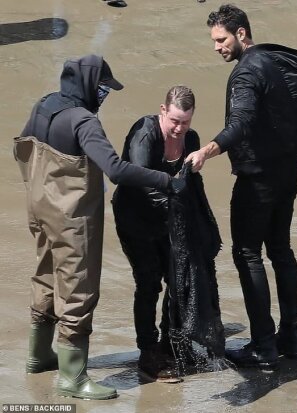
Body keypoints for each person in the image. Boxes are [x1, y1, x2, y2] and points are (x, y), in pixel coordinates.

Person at [14, 54, 183, 400]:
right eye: (104, 87)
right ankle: (73, 377)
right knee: (79, 289)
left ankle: (38, 355)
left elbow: (22, 149)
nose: (105, 94)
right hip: (72, 218)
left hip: (39, 208)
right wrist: (166, 181)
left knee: (45, 275)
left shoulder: (44, 105)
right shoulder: (84, 121)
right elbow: (116, 170)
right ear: (91, 85)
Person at [186, 5, 297, 370]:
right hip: (288, 173)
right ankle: (292, 336)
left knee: (247, 253)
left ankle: (262, 344)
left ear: (242, 34)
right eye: (214, 40)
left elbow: (240, 122)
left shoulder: (245, 74)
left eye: (221, 39)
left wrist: (208, 150)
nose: (217, 47)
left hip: (257, 180)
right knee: (281, 250)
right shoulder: (285, 60)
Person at [112, 86, 200, 382]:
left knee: (179, 282)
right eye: (174, 120)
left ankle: (169, 343)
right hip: (134, 218)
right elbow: (139, 181)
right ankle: (148, 352)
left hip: (167, 222)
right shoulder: (144, 133)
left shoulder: (192, 140)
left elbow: (190, 186)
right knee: (149, 283)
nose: (179, 128)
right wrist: (174, 203)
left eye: (185, 122)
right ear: (163, 111)